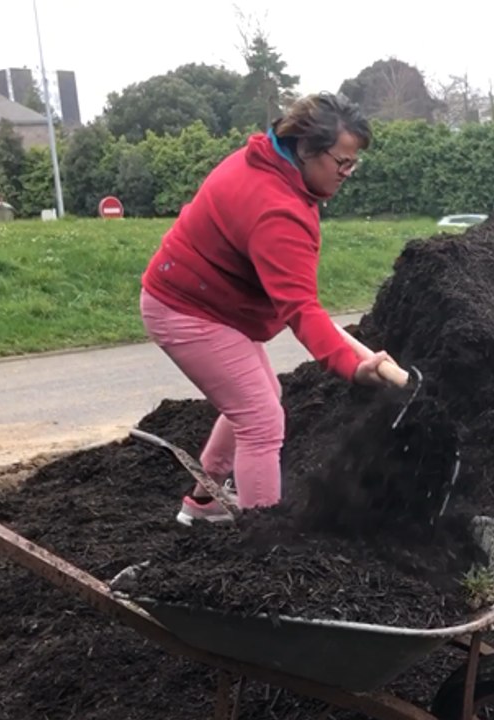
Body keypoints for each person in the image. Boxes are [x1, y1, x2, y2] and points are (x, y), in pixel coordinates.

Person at [139, 92, 397, 526]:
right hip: (186, 309)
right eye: (342, 162)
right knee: (260, 420)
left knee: (260, 400)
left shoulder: (267, 162)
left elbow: (293, 295)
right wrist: (353, 368)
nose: (349, 173)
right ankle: (263, 547)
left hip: (209, 301)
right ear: (306, 148)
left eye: (354, 163)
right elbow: (300, 308)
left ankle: (203, 505)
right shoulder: (276, 209)